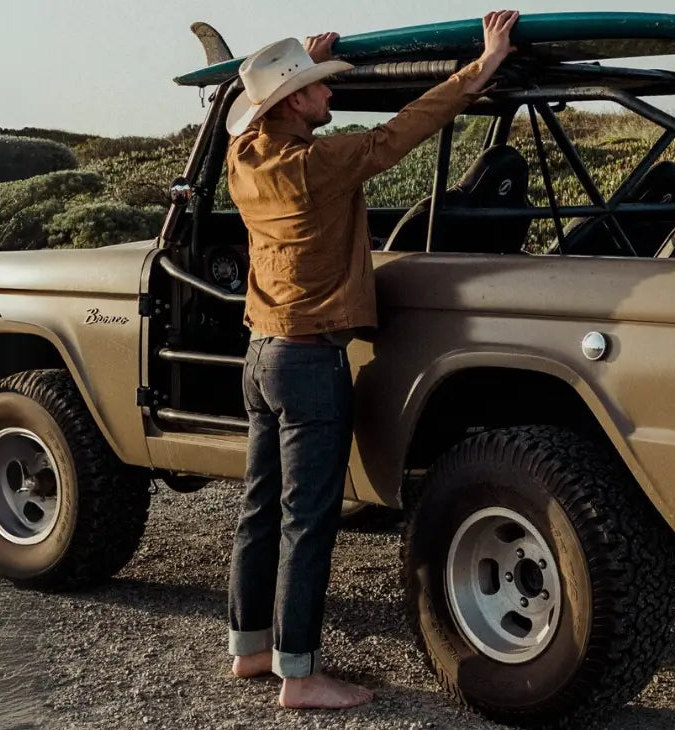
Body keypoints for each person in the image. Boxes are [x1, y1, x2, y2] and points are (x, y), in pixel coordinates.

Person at [223, 10, 520, 711]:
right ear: (294, 101)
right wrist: (481, 67)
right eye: (320, 89)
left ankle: (250, 647)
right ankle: (300, 675)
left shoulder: (246, 161)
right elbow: (404, 130)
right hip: (307, 362)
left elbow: (265, 120)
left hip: (261, 355)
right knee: (308, 520)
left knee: (260, 508)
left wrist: (306, 61)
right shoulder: (318, 166)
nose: (331, 95)